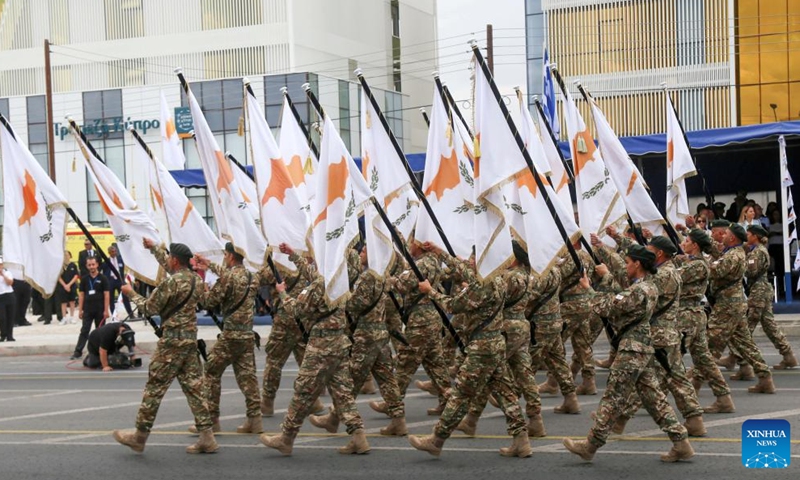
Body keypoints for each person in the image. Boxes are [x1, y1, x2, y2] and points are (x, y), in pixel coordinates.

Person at [563, 245, 694, 463]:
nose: (626, 266)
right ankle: (681, 442)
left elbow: (608, 307)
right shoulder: (649, 287)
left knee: (613, 397)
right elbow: (618, 299)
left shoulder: (640, 290)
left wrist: (588, 289)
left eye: (628, 262)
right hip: (641, 348)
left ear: (638, 264)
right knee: (654, 399)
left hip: (632, 349)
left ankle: (590, 445)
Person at [408, 254, 531, 458]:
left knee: (461, 395)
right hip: (495, 344)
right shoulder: (499, 279)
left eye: (475, 258)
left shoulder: (482, 284)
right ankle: (521, 440)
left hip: (482, 349)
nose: (471, 262)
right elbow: (465, 272)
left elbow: (452, 305)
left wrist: (430, 291)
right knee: (505, 393)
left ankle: (436, 440)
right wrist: (441, 251)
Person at [260, 248, 369, 456]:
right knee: (343, 393)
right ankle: (358, 438)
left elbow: (297, 311)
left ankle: (286, 438)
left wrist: (282, 293)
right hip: (339, 342)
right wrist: (293, 255)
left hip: (321, 345)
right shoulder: (340, 280)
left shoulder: (321, 283)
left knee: (303, 392)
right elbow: (314, 276)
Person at [113, 241, 218, 454]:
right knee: (195, 390)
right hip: (189, 343)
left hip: (171, 344)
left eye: (169, 257)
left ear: (175, 260)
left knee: (154, 388)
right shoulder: (196, 280)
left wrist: (130, 292)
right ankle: (207, 437)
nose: (167, 260)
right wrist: (154, 249)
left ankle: (139, 437)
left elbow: (149, 308)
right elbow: (202, 299)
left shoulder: (171, 283)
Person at [192, 242, 262, 434]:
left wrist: (199, 283)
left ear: (230, 256)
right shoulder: (251, 277)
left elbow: (209, 301)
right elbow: (231, 277)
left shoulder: (228, 278)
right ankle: (255, 420)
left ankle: (212, 420)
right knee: (248, 377)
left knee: (211, 372)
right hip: (247, 334)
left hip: (230, 335)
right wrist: (209, 264)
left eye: (225, 254)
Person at [705, 224, 776, 394]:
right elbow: (715, 249)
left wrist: (702, 264)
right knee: (746, 344)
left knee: (710, 345)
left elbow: (716, 271)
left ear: (732, 238)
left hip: (728, 305)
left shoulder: (735, 255)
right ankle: (765, 378)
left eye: (726, 234)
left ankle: (696, 384)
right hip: (733, 303)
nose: (722, 236)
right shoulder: (733, 252)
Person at [675, 229, 735, 414]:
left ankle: (626, 409)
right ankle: (724, 399)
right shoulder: (693, 262)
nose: (683, 242)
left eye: (687, 240)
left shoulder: (697, 265)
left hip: (688, 316)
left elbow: (671, 278)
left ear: (695, 245)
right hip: (693, 315)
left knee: (667, 359)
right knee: (705, 360)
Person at [70, 257, 110, 360]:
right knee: (84, 330)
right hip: (88, 309)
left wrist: (106, 310)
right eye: (89, 265)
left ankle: (99, 352)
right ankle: (78, 351)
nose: (91, 267)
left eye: (93, 264)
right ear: (87, 266)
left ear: (97, 265)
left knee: (100, 332)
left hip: (100, 309)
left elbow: (106, 295)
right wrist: (80, 310)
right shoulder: (84, 279)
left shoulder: (103, 278)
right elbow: (82, 295)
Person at [102, 244, 133, 317]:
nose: (114, 253)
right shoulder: (106, 261)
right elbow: (103, 272)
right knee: (111, 299)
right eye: (112, 251)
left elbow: (124, 269)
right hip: (110, 281)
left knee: (125, 297)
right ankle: (113, 315)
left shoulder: (120, 259)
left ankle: (131, 314)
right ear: (109, 252)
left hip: (119, 280)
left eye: (115, 251)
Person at [57, 252, 79, 325]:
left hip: (72, 286)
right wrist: (65, 285)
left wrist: (69, 285)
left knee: (72, 302)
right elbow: (58, 277)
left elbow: (76, 276)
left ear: (70, 256)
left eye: (67, 255)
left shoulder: (73, 265)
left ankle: (72, 317)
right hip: (62, 286)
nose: (66, 256)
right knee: (63, 302)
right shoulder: (60, 265)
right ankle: (64, 318)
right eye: (64, 255)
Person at [0, 258, 16, 342]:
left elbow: (10, 283)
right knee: (2, 317)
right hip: (0, 296)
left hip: (9, 295)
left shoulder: (7, 273)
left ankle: (10, 335)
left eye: (1, 265)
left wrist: (3, 275)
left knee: (10, 316)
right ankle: (3, 334)